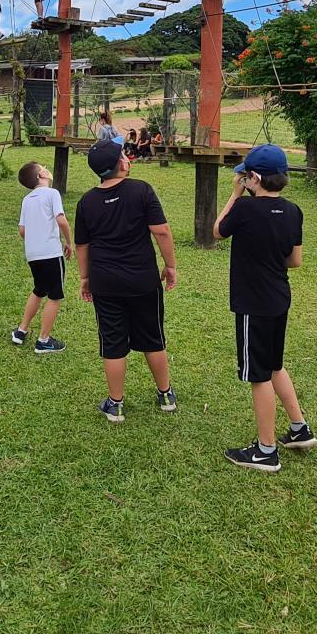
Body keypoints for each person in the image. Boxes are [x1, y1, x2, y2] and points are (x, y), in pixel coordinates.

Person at [213, 144, 314, 473]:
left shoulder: (243, 210)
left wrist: (234, 194)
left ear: (253, 178)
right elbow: (295, 261)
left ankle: (266, 451)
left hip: (252, 304)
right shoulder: (293, 211)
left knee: (259, 376)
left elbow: (217, 231)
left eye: (245, 176)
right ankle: (299, 429)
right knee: (274, 365)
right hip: (278, 299)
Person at [74, 140, 178, 423]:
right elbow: (162, 231)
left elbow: (82, 245)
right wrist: (170, 266)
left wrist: (85, 278)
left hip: (104, 282)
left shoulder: (86, 202)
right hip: (143, 280)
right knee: (153, 338)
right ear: (121, 163)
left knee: (113, 342)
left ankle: (115, 404)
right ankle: (166, 394)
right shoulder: (141, 190)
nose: (127, 157)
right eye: (123, 154)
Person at [12, 161, 73, 354]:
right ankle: (43, 341)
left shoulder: (27, 199)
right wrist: (69, 242)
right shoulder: (52, 193)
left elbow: (22, 231)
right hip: (51, 253)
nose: (46, 168)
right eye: (42, 167)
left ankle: (21, 331)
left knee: (39, 290)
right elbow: (61, 220)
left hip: (33, 255)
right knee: (55, 296)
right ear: (41, 176)